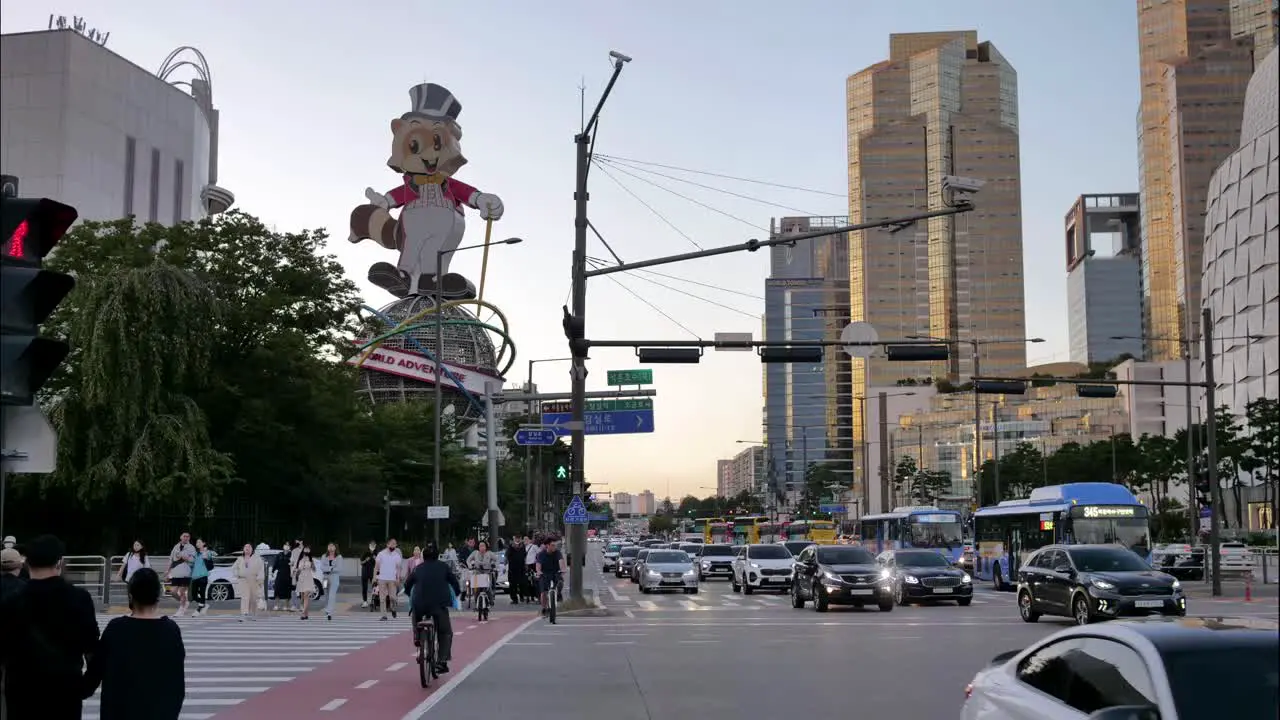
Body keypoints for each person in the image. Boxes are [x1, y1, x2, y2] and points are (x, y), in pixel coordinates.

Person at [0, 534, 100, 720]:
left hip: (22, 691)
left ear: (27, 563)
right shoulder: (79, 598)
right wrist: (87, 685)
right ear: (59, 563)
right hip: (65, 689)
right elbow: (93, 649)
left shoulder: (13, 600)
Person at [83, 568, 185, 719]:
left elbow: (93, 676)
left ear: (130, 596)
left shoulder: (116, 629)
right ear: (158, 596)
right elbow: (177, 686)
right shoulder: (171, 631)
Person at [403, 545, 461, 676]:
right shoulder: (443, 567)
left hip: (420, 604)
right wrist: (457, 593)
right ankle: (442, 661)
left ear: (424, 556)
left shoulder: (418, 568)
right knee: (445, 632)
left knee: (415, 612)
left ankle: (417, 636)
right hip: (439, 605)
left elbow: (407, 585)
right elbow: (454, 583)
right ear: (437, 555)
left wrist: (409, 594)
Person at [231, 544, 265, 622]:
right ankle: (244, 614)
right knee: (245, 598)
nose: (247, 548)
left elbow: (261, 570)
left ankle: (254, 614)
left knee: (253, 598)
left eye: (249, 547)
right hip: (243, 581)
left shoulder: (257, 558)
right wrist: (238, 574)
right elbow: (234, 568)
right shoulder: (239, 559)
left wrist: (260, 579)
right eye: (246, 547)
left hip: (254, 580)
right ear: (243, 549)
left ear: (252, 549)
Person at [165, 532, 195, 617]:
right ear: (181, 537)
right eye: (184, 536)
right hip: (175, 572)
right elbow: (171, 559)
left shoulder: (191, 548)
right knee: (173, 592)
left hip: (186, 572)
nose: (186, 538)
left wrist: (186, 558)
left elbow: (193, 559)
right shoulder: (176, 547)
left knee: (182, 592)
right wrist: (167, 571)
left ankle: (181, 609)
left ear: (189, 538)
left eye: (187, 536)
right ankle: (185, 603)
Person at [466, 540, 498, 621]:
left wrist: (494, 566)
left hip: (487, 573)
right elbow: (468, 560)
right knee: (475, 589)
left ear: (486, 546)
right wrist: (470, 566)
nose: (482, 547)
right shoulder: (475, 553)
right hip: (477, 573)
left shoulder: (490, 553)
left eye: (483, 546)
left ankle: (490, 601)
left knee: (488, 588)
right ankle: (476, 604)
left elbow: (496, 560)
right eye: (480, 546)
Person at [535, 536, 567, 617]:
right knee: (543, 593)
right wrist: (539, 572)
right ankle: (544, 608)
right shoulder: (541, 554)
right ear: (547, 546)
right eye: (552, 545)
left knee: (560, 582)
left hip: (555, 572)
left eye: (555, 545)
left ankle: (558, 593)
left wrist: (563, 570)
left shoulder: (557, 553)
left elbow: (561, 561)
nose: (554, 547)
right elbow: (538, 565)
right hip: (544, 573)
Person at [374, 538, 403, 621]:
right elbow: (376, 566)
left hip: (392, 579)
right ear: (387, 544)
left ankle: (393, 608)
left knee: (393, 597)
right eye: (392, 544)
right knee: (382, 598)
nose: (393, 545)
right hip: (382, 578)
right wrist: (374, 577)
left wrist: (398, 578)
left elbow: (399, 568)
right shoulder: (381, 554)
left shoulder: (397, 555)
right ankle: (384, 615)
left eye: (395, 544)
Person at [189, 538, 214, 617]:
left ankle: (199, 609)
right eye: (197, 542)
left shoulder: (207, 552)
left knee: (202, 593)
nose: (197, 543)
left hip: (203, 576)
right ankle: (204, 604)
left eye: (199, 542)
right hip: (195, 577)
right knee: (193, 595)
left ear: (204, 543)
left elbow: (210, 562)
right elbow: (193, 564)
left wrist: (205, 555)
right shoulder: (196, 554)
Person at [318, 543, 343, 621]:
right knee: (326, 594)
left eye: (332, 546)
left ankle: (329, 612)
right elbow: (322, 567)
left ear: (335, 548)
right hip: (325, 577)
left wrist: (329, 568)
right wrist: (331, 568)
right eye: (329, 546)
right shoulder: (324, 556)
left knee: (332, 595)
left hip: (334, 577)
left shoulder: (339, 557)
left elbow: (339, 568)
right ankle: (327, 609)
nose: (330, 547)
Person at [293, 544, 315, 620]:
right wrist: (296, 571)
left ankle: (303, 613)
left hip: (308, 577)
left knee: (306, 595)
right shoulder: (300, 559)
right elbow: (297, 570)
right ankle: (306, 613)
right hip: (302, 578)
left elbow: (314, 569)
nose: (307, 550)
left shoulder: (311, 559)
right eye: (306, 549)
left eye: (308, 549)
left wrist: (312, 564)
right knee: (302, 597)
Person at [272, 541, 294, 612]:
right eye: (285, 545)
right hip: (280, 574)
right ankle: (276, 605)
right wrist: (273, 570)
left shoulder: (291, 555)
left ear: (290, 547)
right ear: (283, 546)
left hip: (288, 574)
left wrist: (292, 564)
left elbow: (294, 563)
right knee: (277, 589)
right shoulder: (279, 555)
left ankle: (286, 606)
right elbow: (275, 564)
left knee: (287, 590)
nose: (286, 546)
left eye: (288, 545)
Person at [505, 537, 525, 604]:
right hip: (512, 568)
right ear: (514, 539)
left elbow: (525, 555)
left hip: (521, 567)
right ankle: (514, 599)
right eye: (516, 538)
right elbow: (507, 555)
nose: (517, 539)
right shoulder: (510, 546)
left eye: (518, 538)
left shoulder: (523, 546)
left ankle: (522, 596)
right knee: (512, 584)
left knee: (522, 583)